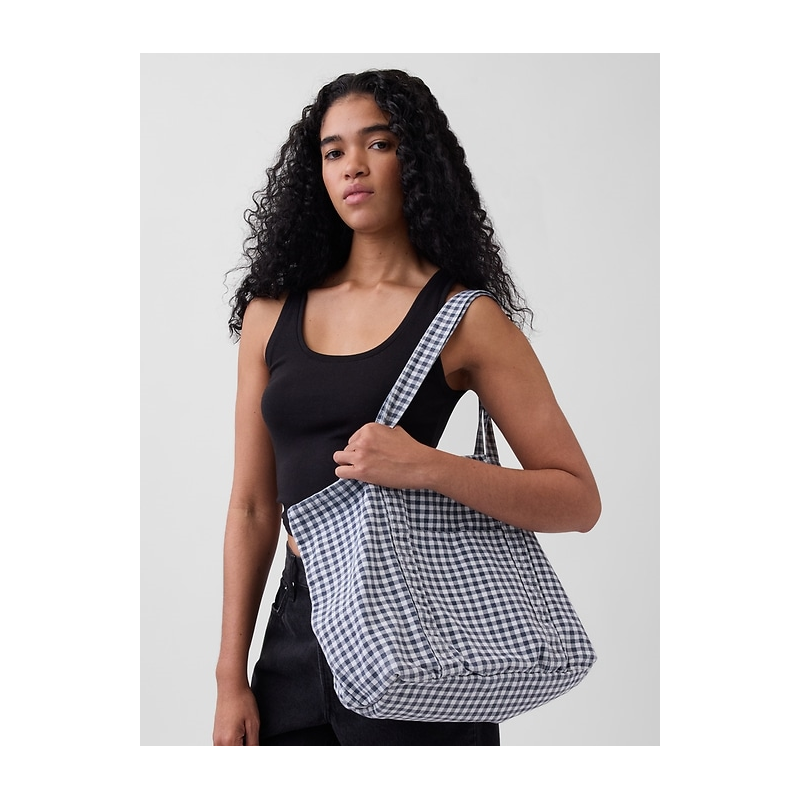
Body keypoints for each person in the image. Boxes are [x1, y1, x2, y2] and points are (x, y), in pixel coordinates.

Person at [212, 68, 601, 747]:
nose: (352, 167)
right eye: (333, 151)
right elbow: (250, 506)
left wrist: (429, 467)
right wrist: (230, 678)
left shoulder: (465, 319)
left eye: (378, 144)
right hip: (295, 637)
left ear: (415, 160)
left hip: (416, 629)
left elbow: (577, 499)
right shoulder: (269, 314)